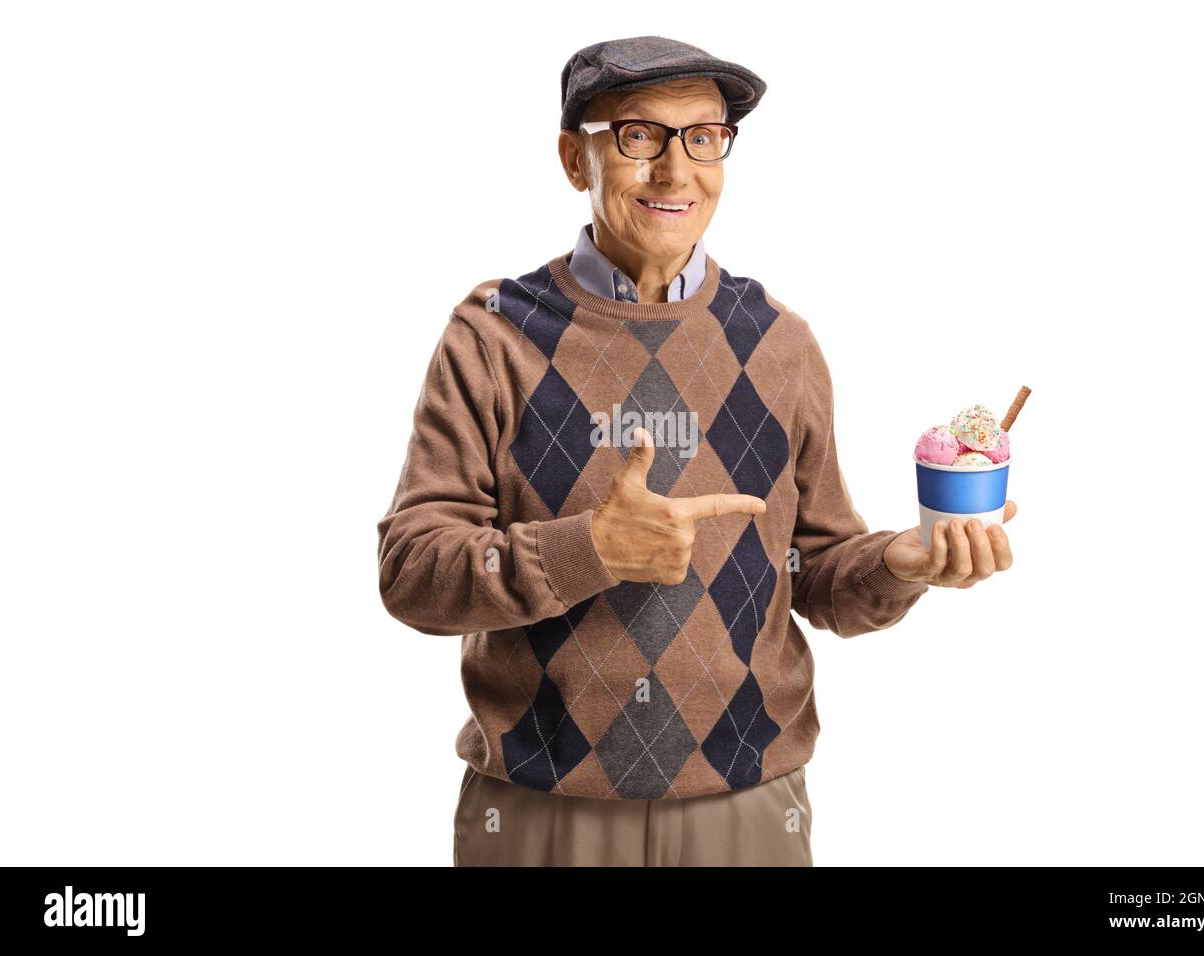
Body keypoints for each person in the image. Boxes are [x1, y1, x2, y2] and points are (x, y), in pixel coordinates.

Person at [376, 35, 1016, 867]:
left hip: (748, 816)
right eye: (639, 135)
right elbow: (412, 573)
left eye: (703, 137)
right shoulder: (493, 336)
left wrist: (900, 561)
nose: (675, 172)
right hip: (539, 815)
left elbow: (816, 575)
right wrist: (591, 550)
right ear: (576, 157)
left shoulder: (779, 343)